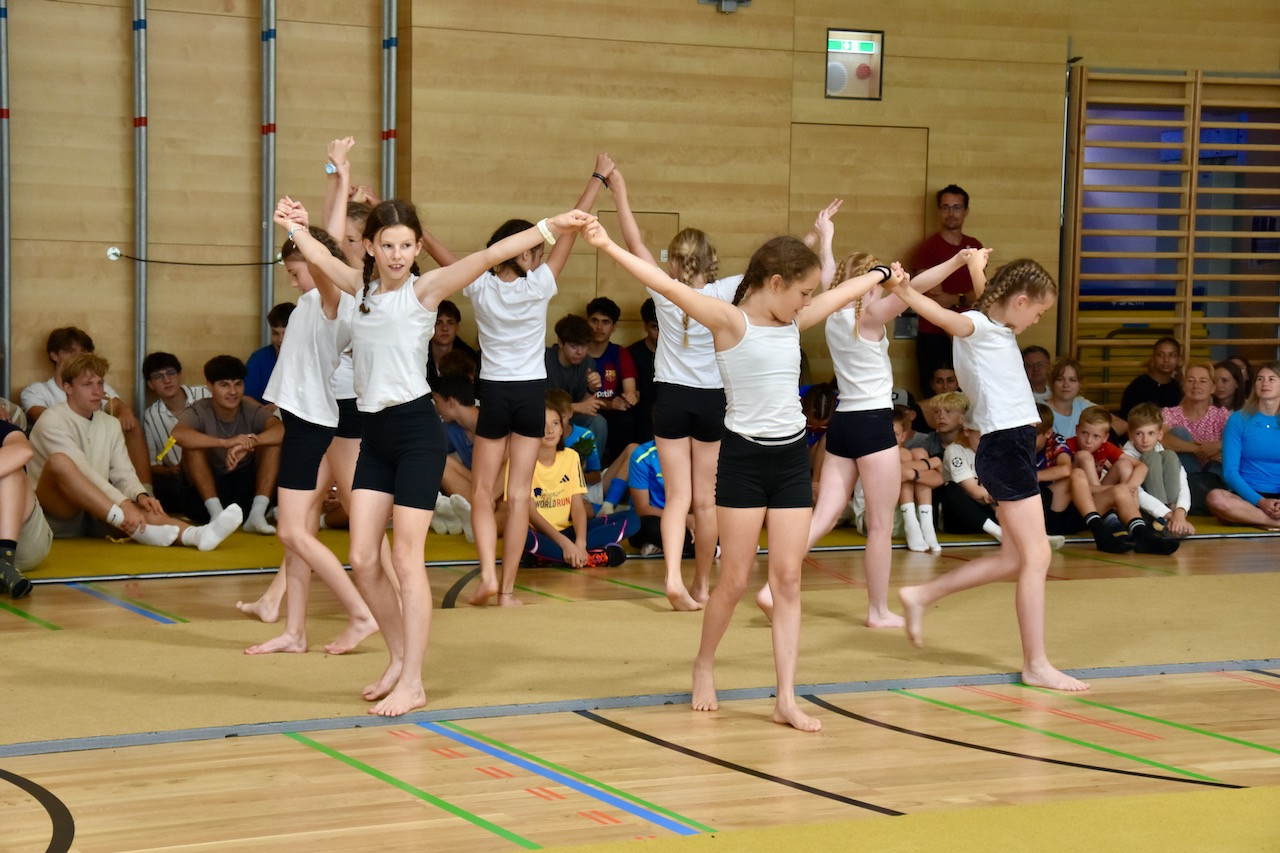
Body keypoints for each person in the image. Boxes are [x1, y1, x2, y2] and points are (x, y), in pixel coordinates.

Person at [587, 217, 904, 732]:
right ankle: (704, 664)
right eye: (802, 292)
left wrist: (882, 274)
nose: (808, 301)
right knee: (734, 580)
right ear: (775, 283)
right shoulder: (728, 321)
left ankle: (786, 698)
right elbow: (662, 282)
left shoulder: (793, 320)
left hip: (790, 460)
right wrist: (605, 244)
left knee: (789, 579)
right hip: (744, 462)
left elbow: (840, 293)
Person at [279, 193, 590, 716]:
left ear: (418, 248)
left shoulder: (425, 290)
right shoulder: (360, 289)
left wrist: (551, 225)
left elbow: (490, 255)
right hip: (374, 436)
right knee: (363, 559)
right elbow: (318, 256)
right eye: (387, 245)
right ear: (370, 248)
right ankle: (399, 658)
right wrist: (295, 228)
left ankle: (414, 681)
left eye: (406, 246)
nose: (397, 255)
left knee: (405, 558)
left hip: (416, 435)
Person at [888, 257, 1089, 692]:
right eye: (1038, 312)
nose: (1037, 320)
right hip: (1005, 447)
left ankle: (922, 595)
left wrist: (977, 265)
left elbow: (989, 297)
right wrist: (904, 292)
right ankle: (1035, 664)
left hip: (1011, 446)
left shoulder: (997, 324)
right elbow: (945, 316)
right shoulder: (977, 327)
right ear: (1020, 302)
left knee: (1016, 558)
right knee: (1037, 556)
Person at [762, 247, 987, 627]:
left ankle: (772, 589)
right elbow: (916, 288)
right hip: (872, 423)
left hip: (843, 423)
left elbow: (831, 273)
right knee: (881, 526)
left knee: (824, 516)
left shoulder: (834, 313)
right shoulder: (871, 317)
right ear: (871, 283)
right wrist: (955, 262)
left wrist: (828, 240)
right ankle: (877, 611)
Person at [452, 155, 614, 608]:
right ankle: (505, 591)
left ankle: (487, 576)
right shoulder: (539, 284)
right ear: (521, 253)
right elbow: (571, 230)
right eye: (534, 251)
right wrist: (597, 179)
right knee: (519, 495)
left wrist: (412, 225)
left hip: (495, 392)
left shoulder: (478, 285)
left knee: (483, 491)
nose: (540, 256)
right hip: (529, 395)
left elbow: (442, 257)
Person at [244, 222, 379, 657]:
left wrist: (297, 230)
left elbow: (324, 258)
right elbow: (329, 238)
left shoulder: (331, 298)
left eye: (295, 271)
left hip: (310, 421)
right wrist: (331, 189)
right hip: (304, 417)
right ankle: (294, 631)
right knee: (296, 531)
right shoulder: (308, 300)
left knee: (291, 531)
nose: (292, 280)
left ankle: (360, 612)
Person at [29, 353, 241, 552]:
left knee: (144, 505)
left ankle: (195, 535)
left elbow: (123, 472)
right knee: (60, 462)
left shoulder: (110, 423)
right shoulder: (51, 420)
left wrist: (140, 495)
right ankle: (131, 524)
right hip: (58, 516)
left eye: (100, 383)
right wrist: (122, 504)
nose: (97, 391)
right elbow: (82, 470)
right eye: (87, 385)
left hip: (97, 511)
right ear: (67, 387)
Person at [21, 326, 153, 487]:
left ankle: (146, 490)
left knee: (131, 424)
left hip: (93, 446)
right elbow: (43, 417)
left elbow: (117, 406)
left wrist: (124, 412)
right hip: (59, 456)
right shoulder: (37, 390)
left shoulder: (97, 387)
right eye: (70, 351)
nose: (78, 356)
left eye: (83, 351)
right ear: (54, 355)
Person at [171, 355, 282, 534]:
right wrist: (225, 443)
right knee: (192, 447)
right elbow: (178, 434)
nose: (233, 391)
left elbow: (280, 429)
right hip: (203, 501)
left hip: (244, 493)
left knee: (272, 444)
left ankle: (257, 514)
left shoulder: (249, 409)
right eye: (224, 385)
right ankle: (217, 516)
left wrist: (251, 442)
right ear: (209, 386)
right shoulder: (199, 409)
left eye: (238, 384)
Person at [515, 405, 635, 568]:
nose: (550, 430)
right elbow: (532, 514)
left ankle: (549, 557)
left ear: (561, 429)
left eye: (555, 423)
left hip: (568, 531)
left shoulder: (571, 457)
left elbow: (577, 506)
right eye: (543, 424)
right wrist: (565, 543)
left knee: (633, 519)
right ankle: (591, 556)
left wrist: (580, 542)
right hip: (539, 533)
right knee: (518, 533)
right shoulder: (521, 461)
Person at [1066, 405, 1177, 555]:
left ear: (1105, 437)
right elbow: (1078, 488)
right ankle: (1118, 523)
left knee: (1124, 465)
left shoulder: (1105, 446)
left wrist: (1129, 487)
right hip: (1076, 508)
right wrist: (1119, 489)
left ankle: (1138, 529)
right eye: (1084, 433)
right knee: (1084, 456)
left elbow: (1141, 466)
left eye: (1096, 436)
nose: (1088, 441)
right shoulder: (1066, 446)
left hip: (1097, 500)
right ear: (1076, 429)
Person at [912, 184, 984, 396]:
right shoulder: (928, 248)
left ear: (966, 211)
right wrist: (964, 299)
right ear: (938, 211)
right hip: (934, 334)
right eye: (945, 207)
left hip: (968, 332)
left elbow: (981, 293)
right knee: (935, 398)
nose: (951, 213)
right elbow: (936, 298)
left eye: (957, 207)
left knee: (968, 395)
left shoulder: (975, 246)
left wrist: (955, 299)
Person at [1206, 361, 1280, 529]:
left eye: (1271, 379)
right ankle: (1271, 522)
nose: (1264, 383)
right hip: (1248, 497)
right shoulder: (1238, 419)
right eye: (1260, 379)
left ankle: (1252, 519)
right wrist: (1260, 502)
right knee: (1215, 498)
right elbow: (1230, 472)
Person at [140, 352, 212, 518]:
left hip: (218, 467)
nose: (167, 380)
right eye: (158, 377)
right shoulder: (151, 415)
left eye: (171, 373)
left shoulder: (204, 393)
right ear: (151, 384)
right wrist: (170, 471)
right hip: (183, 480)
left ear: (179, 375)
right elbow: (152, 464)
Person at [1157, 362, 1229, 513]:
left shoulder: (1221, 415)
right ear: (1183, 385)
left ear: (1213, 387)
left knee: (1228, 446)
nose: (1196, 386)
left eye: (1203, 381)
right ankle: (1195, 494)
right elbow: (1160, 437)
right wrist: (1198, 449)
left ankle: (1201, 495)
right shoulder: (1170, 413)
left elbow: (1238, 443)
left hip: (1214, 476)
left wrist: (1217, 446)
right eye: (1190, 380)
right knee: (1179, 432)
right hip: (1185, 476)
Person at [1123, 404, 1195, 537]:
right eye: (1139, 433)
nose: (1145, 440)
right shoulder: (1126, 456)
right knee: (1150, 456)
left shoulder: (1163, 452)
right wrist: (1168, 515)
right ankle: (1165, 523)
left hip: (1170, 510)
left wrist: (1180, 513)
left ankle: (1173, 520)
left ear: (1160, 434)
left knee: (1170, 455)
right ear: (1130, 435)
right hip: (1145, 509)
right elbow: (1137, 493)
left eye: (1151, 433)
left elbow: (1182, 483)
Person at [0, 418, 51, 597]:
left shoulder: (5, 429)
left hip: (24, 540)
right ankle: (4, 571)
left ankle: (4, 558)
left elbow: (23, 451)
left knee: (12, 471)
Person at [585, 296, 640, 462]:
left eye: (605, 322)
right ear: (587, 322)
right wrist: (609, 404)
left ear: (614, 327)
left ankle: (617, 470)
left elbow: (630, 392)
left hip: (612, 412)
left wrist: (631, 398)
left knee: (626, 419)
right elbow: (576, 399)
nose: (599, 327)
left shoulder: (620, 353)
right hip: (584, 408)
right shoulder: (578, 350)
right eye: (594, 320)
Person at [544, 313, 608, 453]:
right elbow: (537, 405)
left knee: (598, 422)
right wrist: (576, 407)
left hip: (571, 417)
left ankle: (590, 465)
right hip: (545, 418)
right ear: (560, 342)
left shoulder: (588, 363)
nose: (580, 352)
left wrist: (591, 389)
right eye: (574, 346)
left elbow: (586, 407)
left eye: (584, 346)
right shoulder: (544, 360)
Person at [626, 439, 693, 557]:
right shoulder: (642, 455)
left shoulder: (697, 452)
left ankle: (666, 546)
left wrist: (696, 518)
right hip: (656, 518)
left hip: (689, 516)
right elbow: (642, 509)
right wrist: (683, 518)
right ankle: (711, 549)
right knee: (645, 527)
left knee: (716, 521)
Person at [1045, 357, 1127, 438]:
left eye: (1072, 380)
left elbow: (1122, 424)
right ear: (1051, 383)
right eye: (1060, 379)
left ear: (1080, 384)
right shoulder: (1041, 409)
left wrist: (1099, 439)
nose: (1066, 385)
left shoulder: (1082, 404)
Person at [244, 302, 294, 406]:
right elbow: (245, 397)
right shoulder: (259, 359)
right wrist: (265, 412)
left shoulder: (311, 360)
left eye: (286, 333)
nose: (280, 340)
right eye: (275, 333)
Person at [1119, 336, 1183, 418]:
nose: (1166, 360)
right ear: (1153, 357)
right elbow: (1128, 419)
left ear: (1179, 359)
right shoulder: (1138, 387)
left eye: (1172, 355)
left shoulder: (1177, 388)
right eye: (1160, 355)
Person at [627, 298, 660, 444]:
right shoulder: (632, 353)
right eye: (655, 327)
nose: (660, 333)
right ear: (645, 326)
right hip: (643, 410)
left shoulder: (676, 354)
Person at [426, 299, 479, 388]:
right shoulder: (419, 355)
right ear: (429, 326)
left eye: (450, 323)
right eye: (438, 323)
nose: (445, 328)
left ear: (457, 327)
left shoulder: (470, 357)